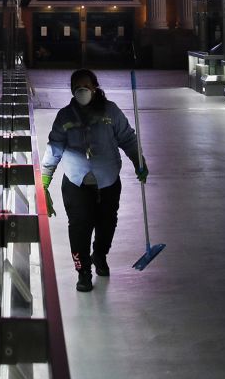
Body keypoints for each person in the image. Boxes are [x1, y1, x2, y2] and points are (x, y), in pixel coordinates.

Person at [41, 69, 146, 292]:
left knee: (107, 225)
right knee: (79, 229)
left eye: (86, 86)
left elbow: (127, 138)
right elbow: (54, 148)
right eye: (77, 87)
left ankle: (99, 254)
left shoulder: (111, 111)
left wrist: (139, 160)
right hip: (76, 184)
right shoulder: (65, 116)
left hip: (107, 182)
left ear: (94, 87)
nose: (82, 91)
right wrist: (44, 180)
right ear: (71, 90)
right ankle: (83, 271)